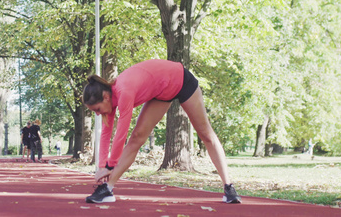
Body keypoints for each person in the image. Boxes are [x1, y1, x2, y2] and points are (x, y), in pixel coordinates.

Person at [83, 59, 242, 204]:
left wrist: (110, 166)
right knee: (137, 137)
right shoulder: (109, 104)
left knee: (206, 134)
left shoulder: (123, 91)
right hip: (161, 93)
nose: (97, 113)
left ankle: (229, 187)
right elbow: (105, 134)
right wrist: (102, 166)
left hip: (182, 80)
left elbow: (120, 134)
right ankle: (107, 189)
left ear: (105, 96)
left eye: (97, 109)